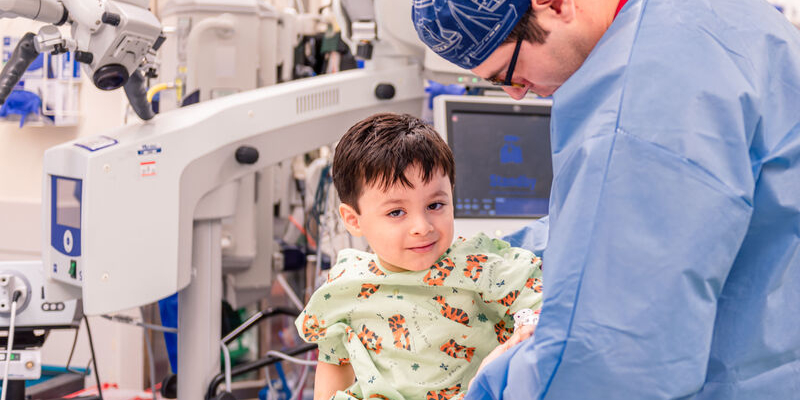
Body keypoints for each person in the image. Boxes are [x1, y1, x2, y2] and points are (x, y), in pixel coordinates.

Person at [412, 0, 800, 398]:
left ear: (554, 5)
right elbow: (663, 213)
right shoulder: (728, 19)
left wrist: (488, 387)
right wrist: (492, 256)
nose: (516, 93)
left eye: (509, 74)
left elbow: (603, 359)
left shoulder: (643, 90)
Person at [295, 113, 543, 400]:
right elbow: (334, 364)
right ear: (353, 220)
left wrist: (524, 330)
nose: (422, 227)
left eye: (435, 205)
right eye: (396, 212)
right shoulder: (345, 284)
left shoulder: (479, 265)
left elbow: (537, 299)